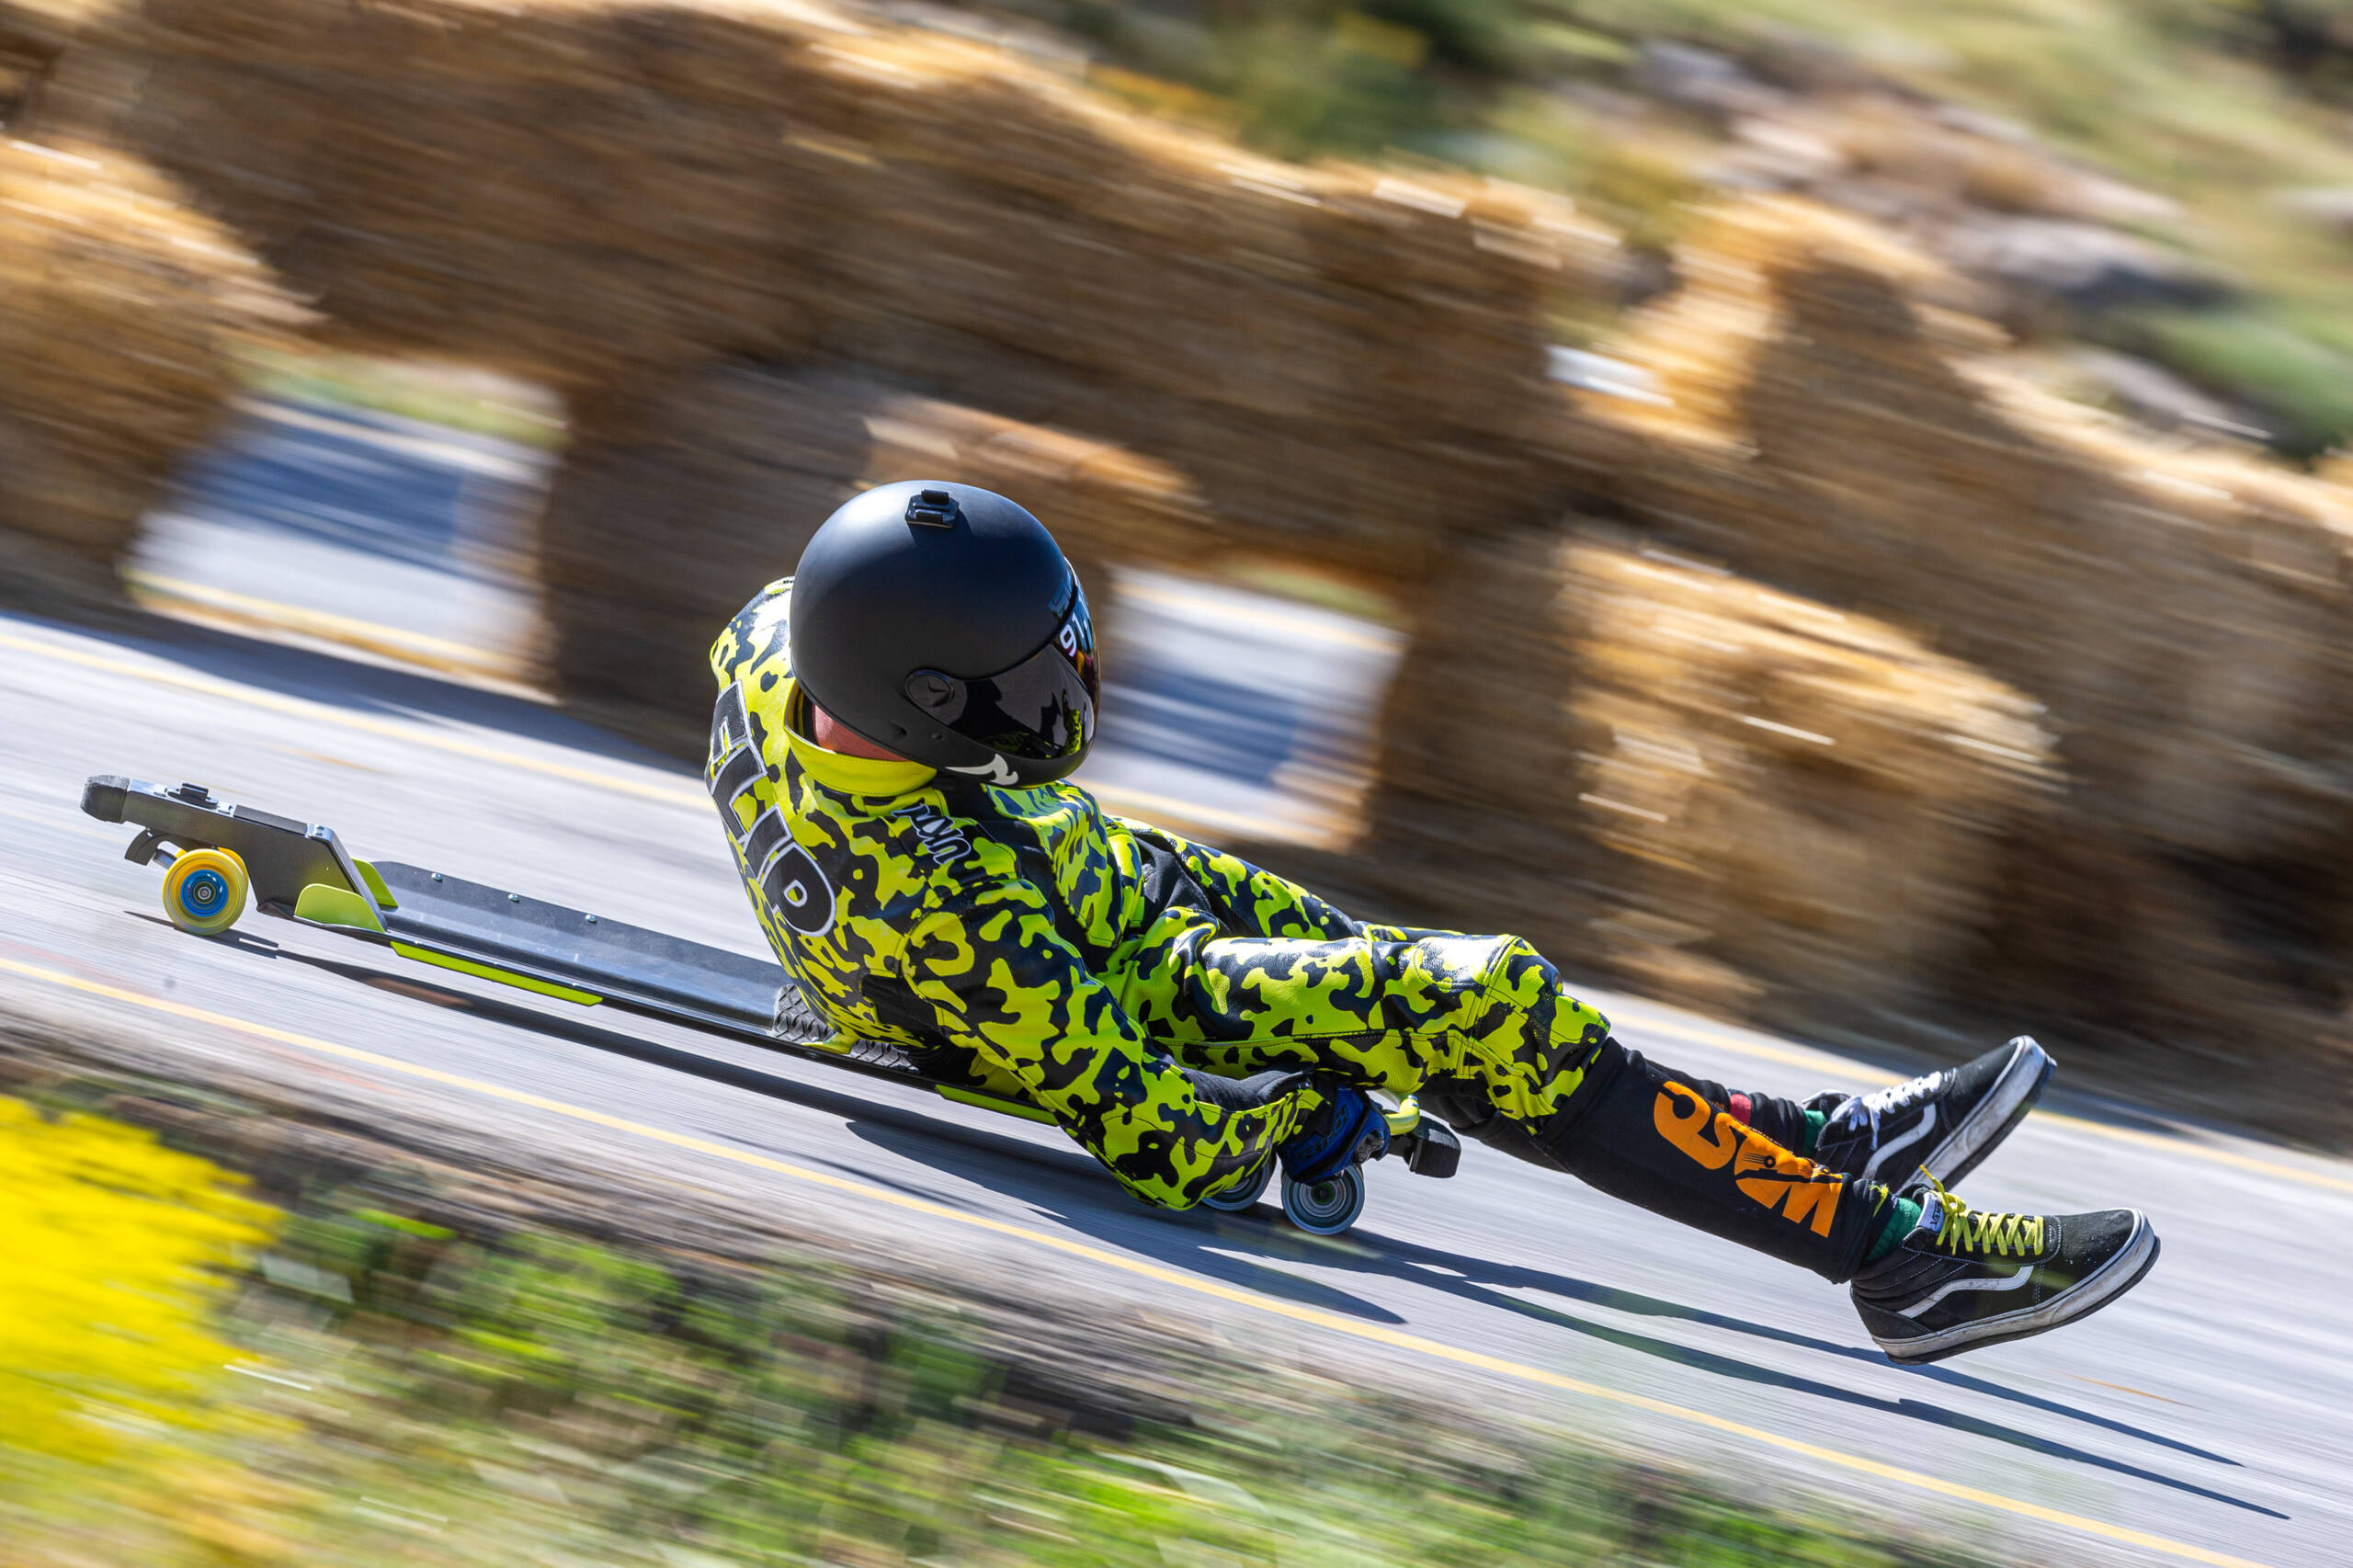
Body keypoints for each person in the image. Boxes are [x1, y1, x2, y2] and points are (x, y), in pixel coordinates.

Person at [703, 480, 2158, 1365]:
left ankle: (1814, 1140)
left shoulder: (785, 639)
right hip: (1129, 975)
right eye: (1035, 673)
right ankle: (1898, 1255)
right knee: (1481, 998)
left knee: (1439, 999)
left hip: (1098, 885)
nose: (1071, 683)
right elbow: (1163, 1140)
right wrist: (1303, 1110)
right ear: (929, 702)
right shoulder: (948, 907)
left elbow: (837, 617)